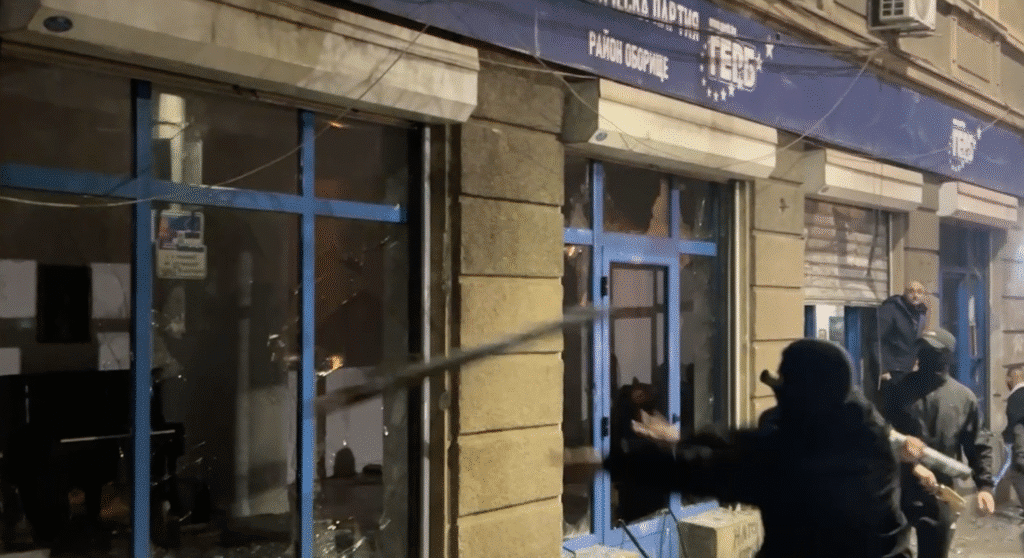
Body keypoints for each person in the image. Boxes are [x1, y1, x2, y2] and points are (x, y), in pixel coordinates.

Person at [609, 339, 910, 558]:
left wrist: (612, 464)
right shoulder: (861, 426)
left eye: (787, 386)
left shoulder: (807, 459)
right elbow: (748, 442)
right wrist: (683, 438)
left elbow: (712, 471)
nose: (781, 397)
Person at [881, 328, 995, 558]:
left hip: (939, 491)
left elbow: (977, 444)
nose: (924, 356)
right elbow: (882, 432)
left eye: (932, 352)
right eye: (922, 349)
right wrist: (913, 466)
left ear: (947, 357)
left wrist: (985, 487)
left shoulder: (963, 398)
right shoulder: (898, 390)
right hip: (898, 487)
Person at [878, 281, 929, 394]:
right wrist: (883, 369)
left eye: (919, 292)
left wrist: (917, 361)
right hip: (893, 370)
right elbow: (878, 340)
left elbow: (917, 340)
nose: (915, 295)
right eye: (911, 291)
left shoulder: (921, 313)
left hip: (910, 369)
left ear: (924, 295)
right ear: (904, 293)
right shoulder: (892, 309)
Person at [999, 364, 1024, 514]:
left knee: (1015, 475)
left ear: (1010, 379)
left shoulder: (1015, 397)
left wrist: (1005, 437)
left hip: (1021, 447)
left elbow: (1015, 423)